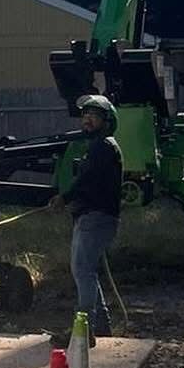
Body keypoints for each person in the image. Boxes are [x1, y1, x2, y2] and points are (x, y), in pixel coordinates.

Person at [51, 93, 123, 338]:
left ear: (107, 120)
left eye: (94, 115)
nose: (87, 119)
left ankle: (83, 330)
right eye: (85, 115)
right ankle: (101, 325)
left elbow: (85, 180)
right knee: (86, 270)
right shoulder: (99, 147)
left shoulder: (103, 147)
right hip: (91, 217)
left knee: (82, 270)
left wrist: (64, 198)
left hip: (96, 217)